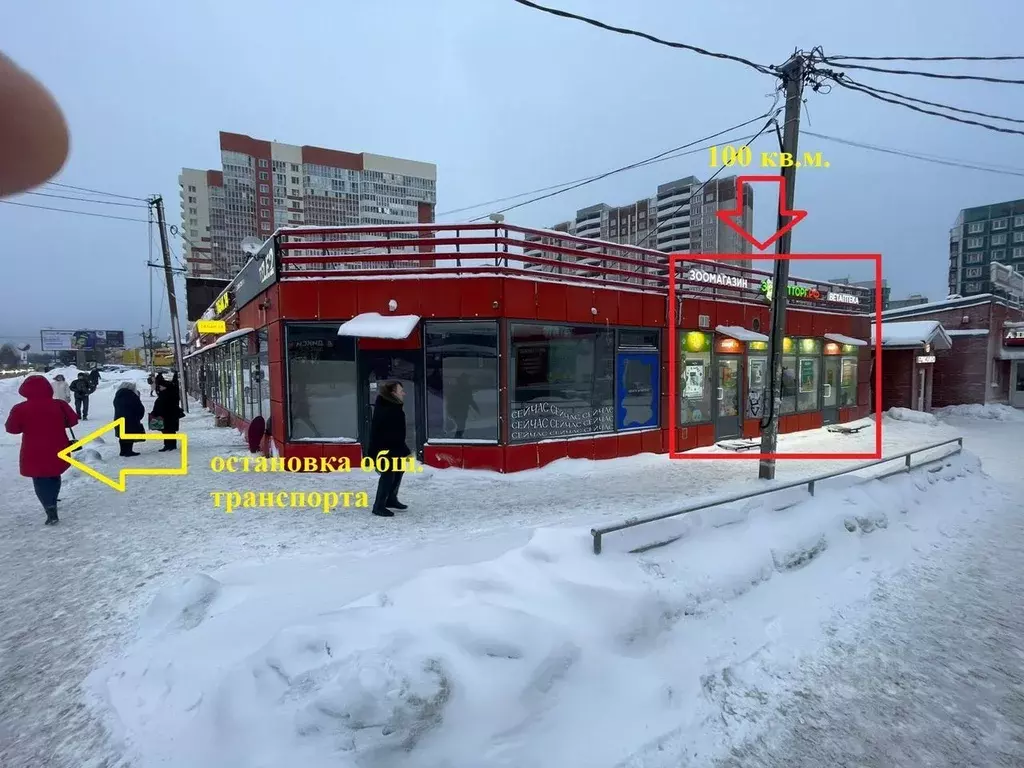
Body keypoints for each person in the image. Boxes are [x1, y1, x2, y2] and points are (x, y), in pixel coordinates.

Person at [4, 374, 79, 525]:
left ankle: (50, 507)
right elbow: (73, 420)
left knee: (39, 479)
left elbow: (12, 429)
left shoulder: (20, 409)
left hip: (33, 450)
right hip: (58, 445)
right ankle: (52, 499)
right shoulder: (59, 405)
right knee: (54, 474)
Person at [367, 380, 412, 517]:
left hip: (395, 447)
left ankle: (391, 499)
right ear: (393, 393)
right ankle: (379, 505)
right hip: (386, 450)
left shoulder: (392, 406)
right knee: (388, 475)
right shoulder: (388, 409)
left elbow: (397, 433)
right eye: (400, 391)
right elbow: (379, 432)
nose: (403, 393)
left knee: (399, 470)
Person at [150, 379, 184, 452]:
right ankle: (170, 445)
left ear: (166, 387)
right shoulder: (168, 393)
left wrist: (157, 412)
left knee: (168, 431)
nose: (160, 388)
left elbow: (164, 406)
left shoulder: (167, 394)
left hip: (167, 416)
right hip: (168, 416)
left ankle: (169, 445)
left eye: (161, 386)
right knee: (168, 431)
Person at [113, 381, 145, 457]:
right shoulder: (132, 395)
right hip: (131, 419)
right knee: (130, 434)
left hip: (119, 418)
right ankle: (128, 451)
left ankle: (122, 451)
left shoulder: (118, 395)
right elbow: (138, 407)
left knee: (122, 435)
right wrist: (138, 416)